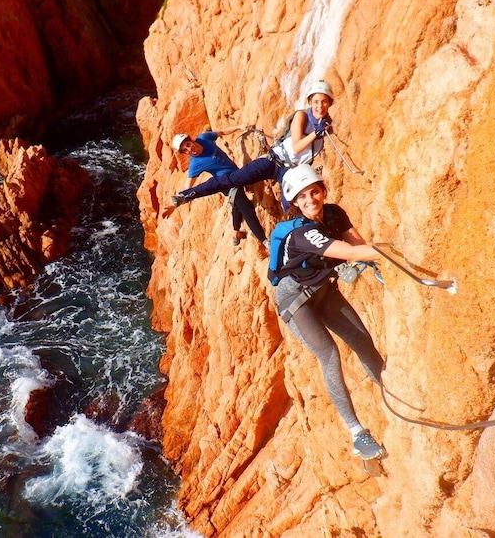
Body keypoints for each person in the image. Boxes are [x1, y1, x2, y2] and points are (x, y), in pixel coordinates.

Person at [272, 163, 387, 460]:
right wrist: (394, 249)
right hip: (296, 301)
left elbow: (357, 244)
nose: (311, 199)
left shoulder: (334, 213)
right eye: (303, 197)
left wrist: (375, 258)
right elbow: (349, 253)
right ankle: (357, 434)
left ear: (323, 190)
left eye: (315, 191)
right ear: (295, 204)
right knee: (330, 355)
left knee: (363, 341)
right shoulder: (301, 234)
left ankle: (390, 393)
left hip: (324, 291)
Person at [167, 81, 334, 212]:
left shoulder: (326, 125)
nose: (319, 106)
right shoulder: (302, 116)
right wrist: (316, 133)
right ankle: (186, 196)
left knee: (290, 204)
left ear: (329, 103)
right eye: (316, 102)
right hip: (272, 160)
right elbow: (297, 147)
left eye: (324, 102)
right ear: (310, 102)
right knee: (230, 180)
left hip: (288, 171)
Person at [163, 126, 268, 246]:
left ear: (190, 140)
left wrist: (239, 127)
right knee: (246, 207)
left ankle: (236, 232)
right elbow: (189, 187)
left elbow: (222, 132)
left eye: (187, 144)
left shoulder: (204, 138)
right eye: (185, 150)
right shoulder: (195, 164)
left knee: (237, 205)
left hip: (235, 173)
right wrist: (175, 204)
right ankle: (265, 241)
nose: (189, 149)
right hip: (225, 183)